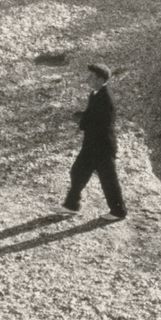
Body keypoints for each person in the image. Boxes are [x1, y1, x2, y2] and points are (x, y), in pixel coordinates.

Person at [62, 63, 127, 219]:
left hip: (102, 146)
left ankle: (119, 212)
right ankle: (71, 205)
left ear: (99, 79)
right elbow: (92, 115)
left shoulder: (105, 98)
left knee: (108, 180)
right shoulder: (95, 94)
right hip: (93, 145)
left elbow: (102, 123)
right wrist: (82, 116)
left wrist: (81, 120)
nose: (87, 79)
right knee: (77, 172)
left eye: (91, 76)